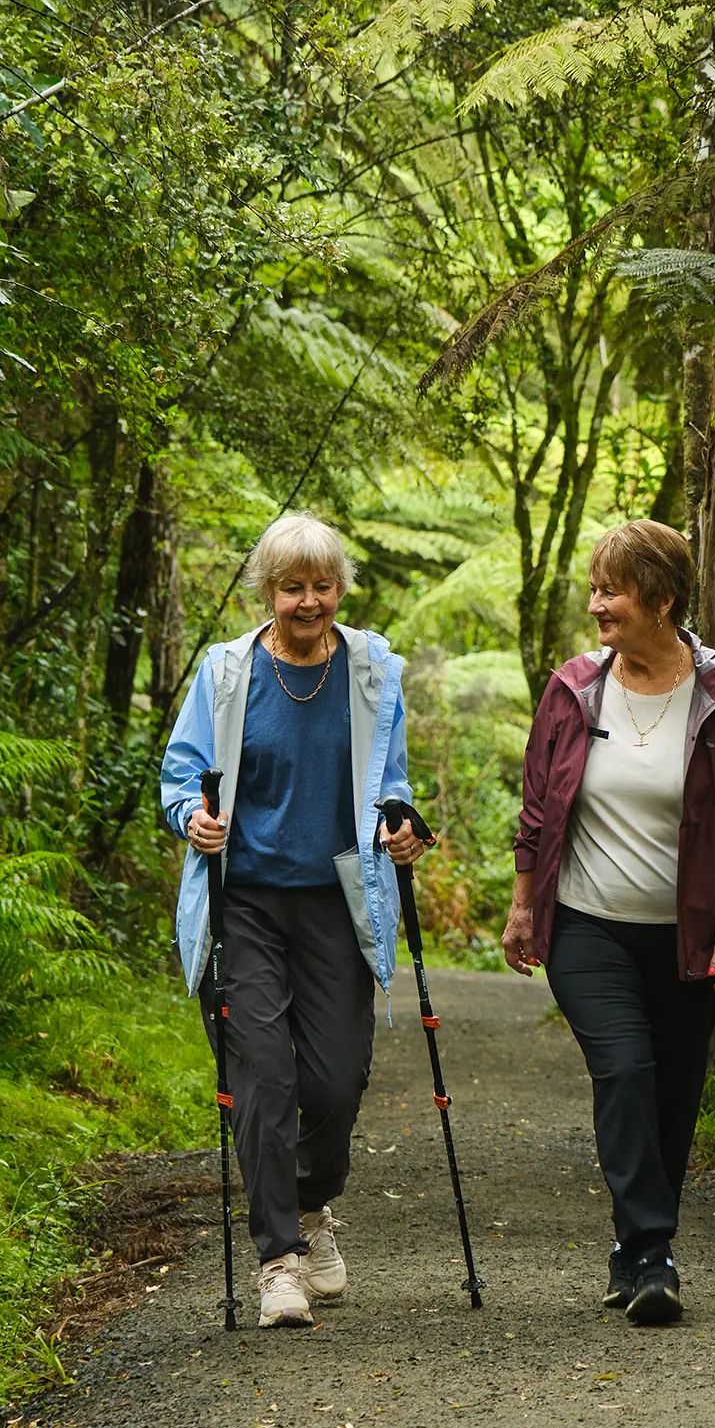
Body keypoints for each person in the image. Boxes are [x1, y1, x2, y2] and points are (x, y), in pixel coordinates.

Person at [502, 520, 715, 1325]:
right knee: (624, 1071)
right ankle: (655, 1249)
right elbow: (537, 809)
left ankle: (633, 1251)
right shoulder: (574, 690)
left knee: (674, 1090)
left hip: (688, 931)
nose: (596, 605)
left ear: (660, 600)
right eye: (593, 590)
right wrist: (525, 906)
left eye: (611, 591)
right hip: (589, 923)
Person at [161, 513, 425, 1328]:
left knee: (336, 1084)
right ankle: (279, 1258)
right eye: (291, 587)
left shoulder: (373, 671)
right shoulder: (227, 672)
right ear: (266, 592)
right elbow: (181, 776)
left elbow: (393, 780)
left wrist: (403, 822)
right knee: (264, 1080)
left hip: (339, 902)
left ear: (339, 589)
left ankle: (313, 1206)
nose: (308, 601)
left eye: (322, 585)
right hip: (245, 902)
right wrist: (189, 820)